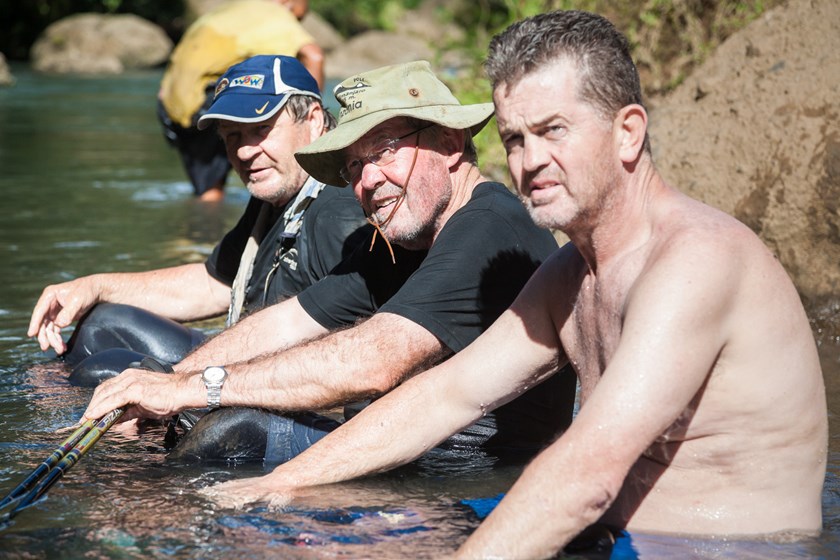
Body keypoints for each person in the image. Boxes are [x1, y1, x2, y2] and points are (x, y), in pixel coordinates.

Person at [182, 10, 828, 558]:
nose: (529, 161)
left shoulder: (695, 261)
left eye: (553, 131)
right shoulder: (572, 272)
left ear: (628, 132)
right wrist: (282, 485)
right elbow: (445, 396)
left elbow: (587, 476)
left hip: (713, 549)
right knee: (273, 528)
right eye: (516, 138)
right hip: (603, 537)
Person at [81, 60, 576, 467]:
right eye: (355, 166)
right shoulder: (402, 236)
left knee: (234, 430)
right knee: (184, 403)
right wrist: (170, 388)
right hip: (392, 445)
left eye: (384, 151)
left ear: (449, 144)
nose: (369, 180)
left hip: (460, 469)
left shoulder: (487, 225)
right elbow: (287, 322)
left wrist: (195, 390)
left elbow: (373, 361)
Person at [29, 55, 369, 388]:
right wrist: (95, 286)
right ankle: (46, 401)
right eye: (232, 135)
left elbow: (359, 356)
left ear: (313, 121)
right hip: (247, 357)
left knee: (102, 370)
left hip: (288, 386)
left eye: (261, 129)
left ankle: (58, 430)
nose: (245, 152)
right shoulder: (278, 191)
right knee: (101, 323)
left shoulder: (339, 212)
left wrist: (185, 385)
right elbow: (214, 283)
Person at [158, 0, 324, 201]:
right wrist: (312, 115)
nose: (296, 24)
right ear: (288, 3)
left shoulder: (231, 10)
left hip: (171, 105)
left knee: (207, 192)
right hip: (207, 101)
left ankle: (202, 228)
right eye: (297, 18)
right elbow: (313, 56)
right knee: (215, 193)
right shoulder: (274, 13)